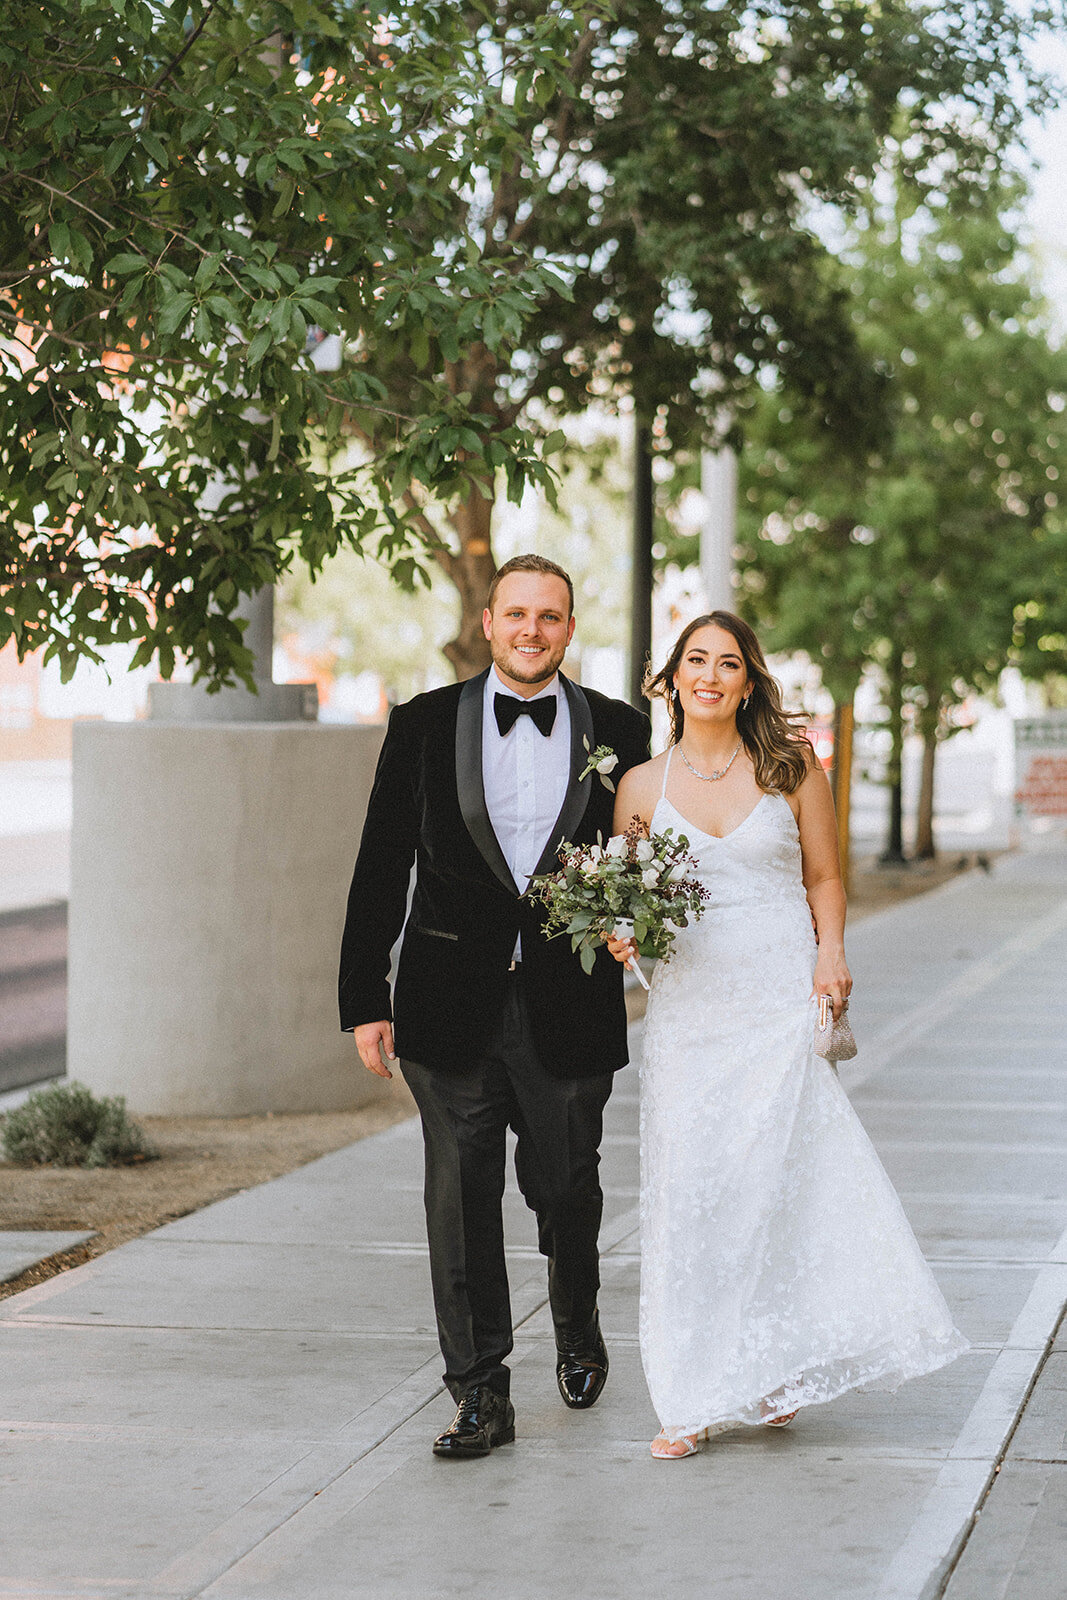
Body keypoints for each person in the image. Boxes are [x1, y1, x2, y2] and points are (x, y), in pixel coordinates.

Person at [607, 612, 967, 1459]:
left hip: (777, 995)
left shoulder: (789, 768)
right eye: (695, 660)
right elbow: (627, 901)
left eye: (727, 664)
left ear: (747, 683)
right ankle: (688, 1396)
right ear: (671, 678)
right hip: (692, 1012)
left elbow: (824, 875)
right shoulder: (637, 788)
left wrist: (831, 953)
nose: (709, 675)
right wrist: (623, 932)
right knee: (690, 1193)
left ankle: (770, 1366)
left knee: (776, 1184)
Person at [339, 554, 650, 1460]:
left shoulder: (622, 731)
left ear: (568, 627)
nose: (531, 630)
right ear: (488, 622)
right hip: (446, 1005)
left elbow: (644, 858)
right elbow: (380, 860)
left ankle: (578, 1320)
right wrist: (366, 995)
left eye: (549, 615)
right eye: (516, 613)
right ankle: (479, 1392)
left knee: (566, 1189)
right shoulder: (425, 724)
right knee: (460, 1200)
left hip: (572, 1003)